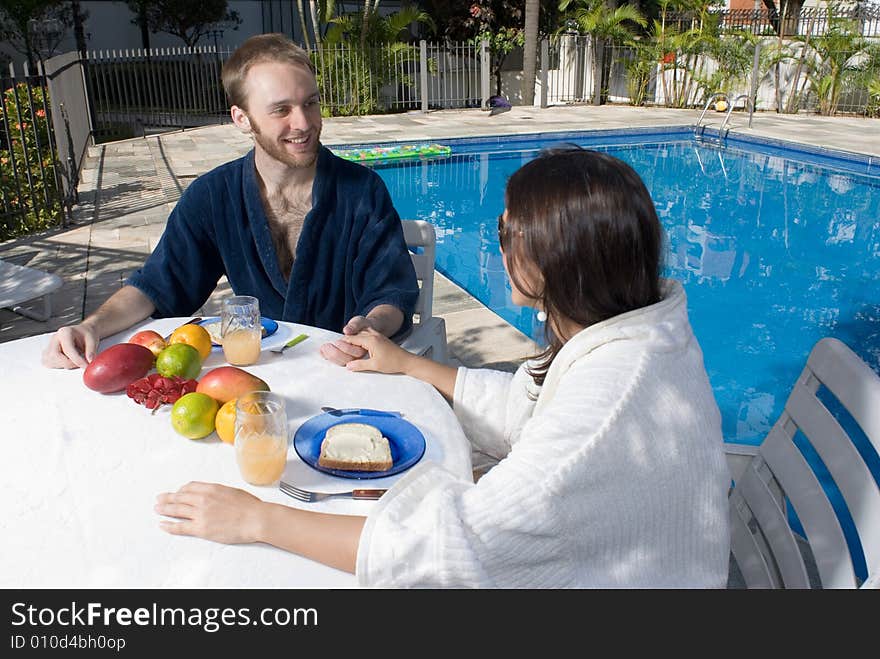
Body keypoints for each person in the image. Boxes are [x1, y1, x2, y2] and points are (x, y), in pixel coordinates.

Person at [154, 147, 732, 588]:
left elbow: (452, 548)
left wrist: (259, 520)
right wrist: (407, 363)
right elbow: (527, 408)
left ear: (560, 260)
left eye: (508, 232)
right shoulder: (637, 332)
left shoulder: (607, 408)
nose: (498, 243)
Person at [41, 33, 418, 370]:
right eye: (281, 109)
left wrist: (373, 325)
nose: (303, 123)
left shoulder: (361, 190)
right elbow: (156, 285)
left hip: (345, 368)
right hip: (263, 370)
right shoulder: (213, 196)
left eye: (311, 103)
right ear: (241, 118)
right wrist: (88, 325)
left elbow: (391, 293)